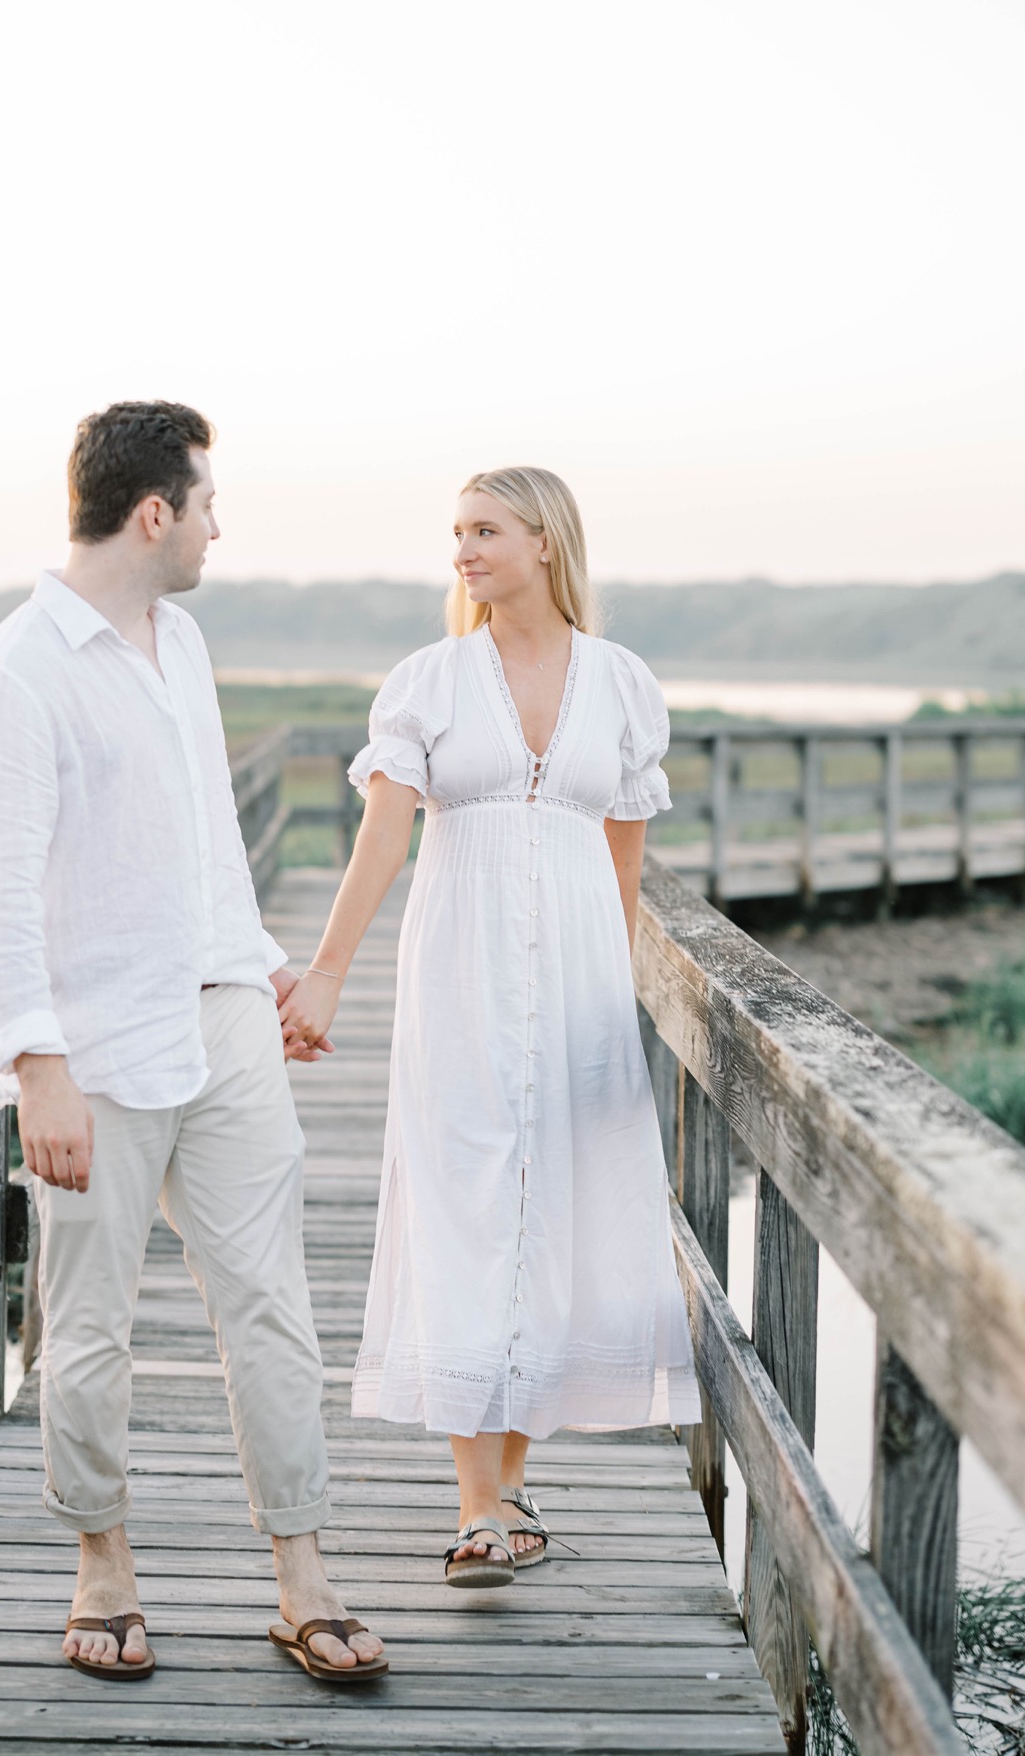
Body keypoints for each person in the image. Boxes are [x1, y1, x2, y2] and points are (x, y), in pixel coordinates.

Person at [0, 401, 385, 1684]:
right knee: (86, 1328)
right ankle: (105, 1564)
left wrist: (260, 962)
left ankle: (301, 1575)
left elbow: (195, 841)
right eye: (206, 503)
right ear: (154, 512)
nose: (216, 526)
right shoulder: (15, 675)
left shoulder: (179, 639)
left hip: (228, 1024)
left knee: (276, 1310)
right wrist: (37, 1067)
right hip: (94, 1054)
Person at [278, 466, 701, 1584]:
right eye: (456, 531)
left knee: (546, 1206)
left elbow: (624, 860)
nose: (462, 549)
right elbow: (382, 840)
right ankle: (478, 1499)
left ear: (546, 543)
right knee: (467, 1203)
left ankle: (510, 1483)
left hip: (578, 985)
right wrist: (325, 971)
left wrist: (614, 996)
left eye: (484, 529)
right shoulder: (429, 680)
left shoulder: (620, 683)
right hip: (455, 974)